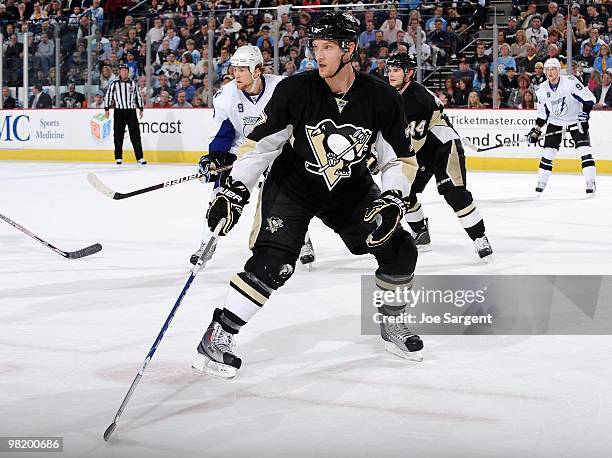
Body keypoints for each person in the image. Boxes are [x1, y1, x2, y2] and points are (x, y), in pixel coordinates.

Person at [192, 13, 422, 378]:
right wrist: (236, 188)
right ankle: (218, 334)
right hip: (293, 186)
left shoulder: (381, 98)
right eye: (315, 47)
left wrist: (394, 198)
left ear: (349, 48)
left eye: (327, 47)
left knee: (401, 249)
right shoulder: (295, 89)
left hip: (350, 187)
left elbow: (400, 158)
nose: (319, 55)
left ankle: (391, 322)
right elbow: (261, 145)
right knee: (275, 263)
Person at [386, 53, 492, 260]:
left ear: (409, 73)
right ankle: (421, 232)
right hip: (420, 149)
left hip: (443, 146)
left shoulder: (418, 99)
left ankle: (479, 237)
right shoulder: (390, 94)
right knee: (404, 192)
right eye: (390, 70)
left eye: (396, 70)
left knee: (454, 192)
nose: (391, 74)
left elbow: (411, 143)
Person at [528, 58, 597, 196]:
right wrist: (536, 129)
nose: (549, 72)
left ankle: (591, 182)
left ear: (559, 70)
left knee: (584, 150)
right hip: (555, 121)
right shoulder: (541, 89)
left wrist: (585, 115)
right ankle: (541, 183)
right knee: (548, 152)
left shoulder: (570, 82)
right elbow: (543, 114)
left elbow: (589, 99)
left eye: (552, 69)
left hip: (574, 119)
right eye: (547, 69)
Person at [104, 63, 146, 165]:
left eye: (126, 70)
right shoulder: (114, 84)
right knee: (118, 135)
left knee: (135, 135)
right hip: (119, 111)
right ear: (120, 72)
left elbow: (138, 96)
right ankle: (118, 157)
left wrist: (140, 108)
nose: (124, 72)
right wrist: (107, 108)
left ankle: (139, 157)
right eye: (122, 70)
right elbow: (108, 95)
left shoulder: (133, 84)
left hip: (131, 112)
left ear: (128, 72)